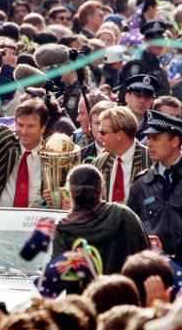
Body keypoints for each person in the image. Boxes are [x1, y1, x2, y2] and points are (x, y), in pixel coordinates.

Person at [52, 164, 149, 274]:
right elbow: (146, 261)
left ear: (71, 192)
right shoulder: (125, 215)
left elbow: (58, 278)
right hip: (124, 289)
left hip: (85, 291)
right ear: (101, 189)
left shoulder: (63, 229)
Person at [128, 111, 182, 256]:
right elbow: (131, 231)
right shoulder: (141, 183)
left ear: (175, 141)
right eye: (149, 138)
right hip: (153, 267)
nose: (149, 144)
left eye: (156, 138)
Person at [92, 106, 151, 203]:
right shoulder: (100, 162)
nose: (99, 137)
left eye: (103, 132)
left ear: (120, 134)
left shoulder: (150, 160)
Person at [119, 20, 171, 101]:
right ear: (145, 40)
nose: (157, 45)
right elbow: (127, 95)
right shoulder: (137, 64)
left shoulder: (157, 62)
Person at [121, 74, 161, 140]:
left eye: (147, 97)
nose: (142, 101)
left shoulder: (155, 124)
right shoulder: (114, 118)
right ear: (127, 97)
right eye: (138, 96)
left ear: (151, 101)